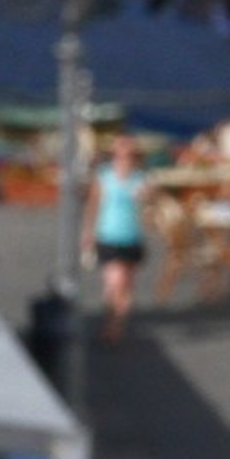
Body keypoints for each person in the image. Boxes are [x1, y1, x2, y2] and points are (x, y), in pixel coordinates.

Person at [81, 134, 150, 343]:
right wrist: (88, 231)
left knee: (127, 284)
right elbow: (94, 205)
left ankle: (116, 324)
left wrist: (148, 197)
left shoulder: (140, 180)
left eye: (128, 156)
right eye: (119, 156)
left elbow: (149, 207)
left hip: (131, 236)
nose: (123, 160)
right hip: (108, 234)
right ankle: (112, 321)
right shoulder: (105, 177)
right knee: (114, 281)